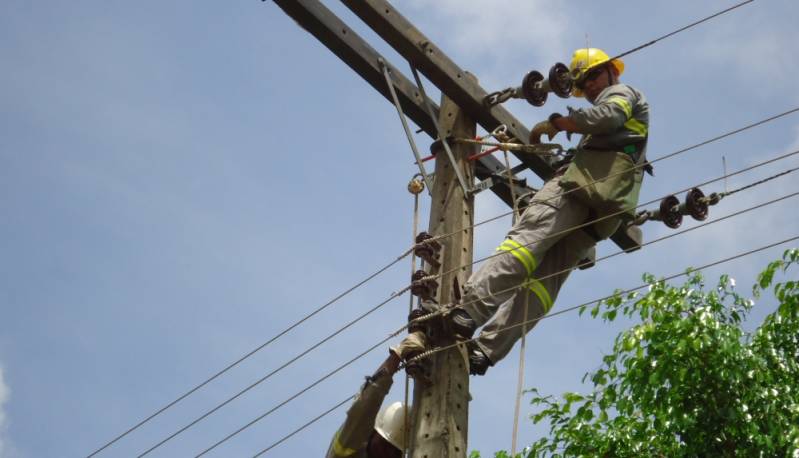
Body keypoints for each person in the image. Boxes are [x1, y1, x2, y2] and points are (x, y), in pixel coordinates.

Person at [446, 48, 650, 375]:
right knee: (544, 284)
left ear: (612, 71)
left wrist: (559, 123)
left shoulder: (622, 93)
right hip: (604, 215)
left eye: (592, 77)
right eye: (584, 84)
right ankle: (486, 350)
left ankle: (469, 311)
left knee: (524, 243)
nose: (591, 88)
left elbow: (608, 115)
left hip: (580, 190)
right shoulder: (628, 127)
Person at [326, 331, 427, 457]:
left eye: (393, 453)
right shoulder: (347, 445)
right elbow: (365, 406)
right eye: (383, 446)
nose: (385, 455)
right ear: (373, 433)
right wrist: (397, 355)